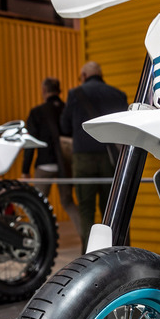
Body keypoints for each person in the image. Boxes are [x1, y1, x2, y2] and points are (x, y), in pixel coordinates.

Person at [60, 61, 128, 251]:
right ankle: (116, 253)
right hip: (111, 158)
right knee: (112, 210)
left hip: (83, 158)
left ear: (83, 76)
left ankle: (88, 256)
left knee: (86, 210)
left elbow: (64, 126)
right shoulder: (117, 94)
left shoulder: (75, 94)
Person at [23, 77, 79, 237]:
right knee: (68, 202)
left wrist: (25, 169)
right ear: (58, 90)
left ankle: (37, 240)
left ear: (44, 91)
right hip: (65, 165)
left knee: (37, 205)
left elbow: (30, 143)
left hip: (44, 164)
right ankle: (87, 237)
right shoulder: (67, 109)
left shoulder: (37, 112)